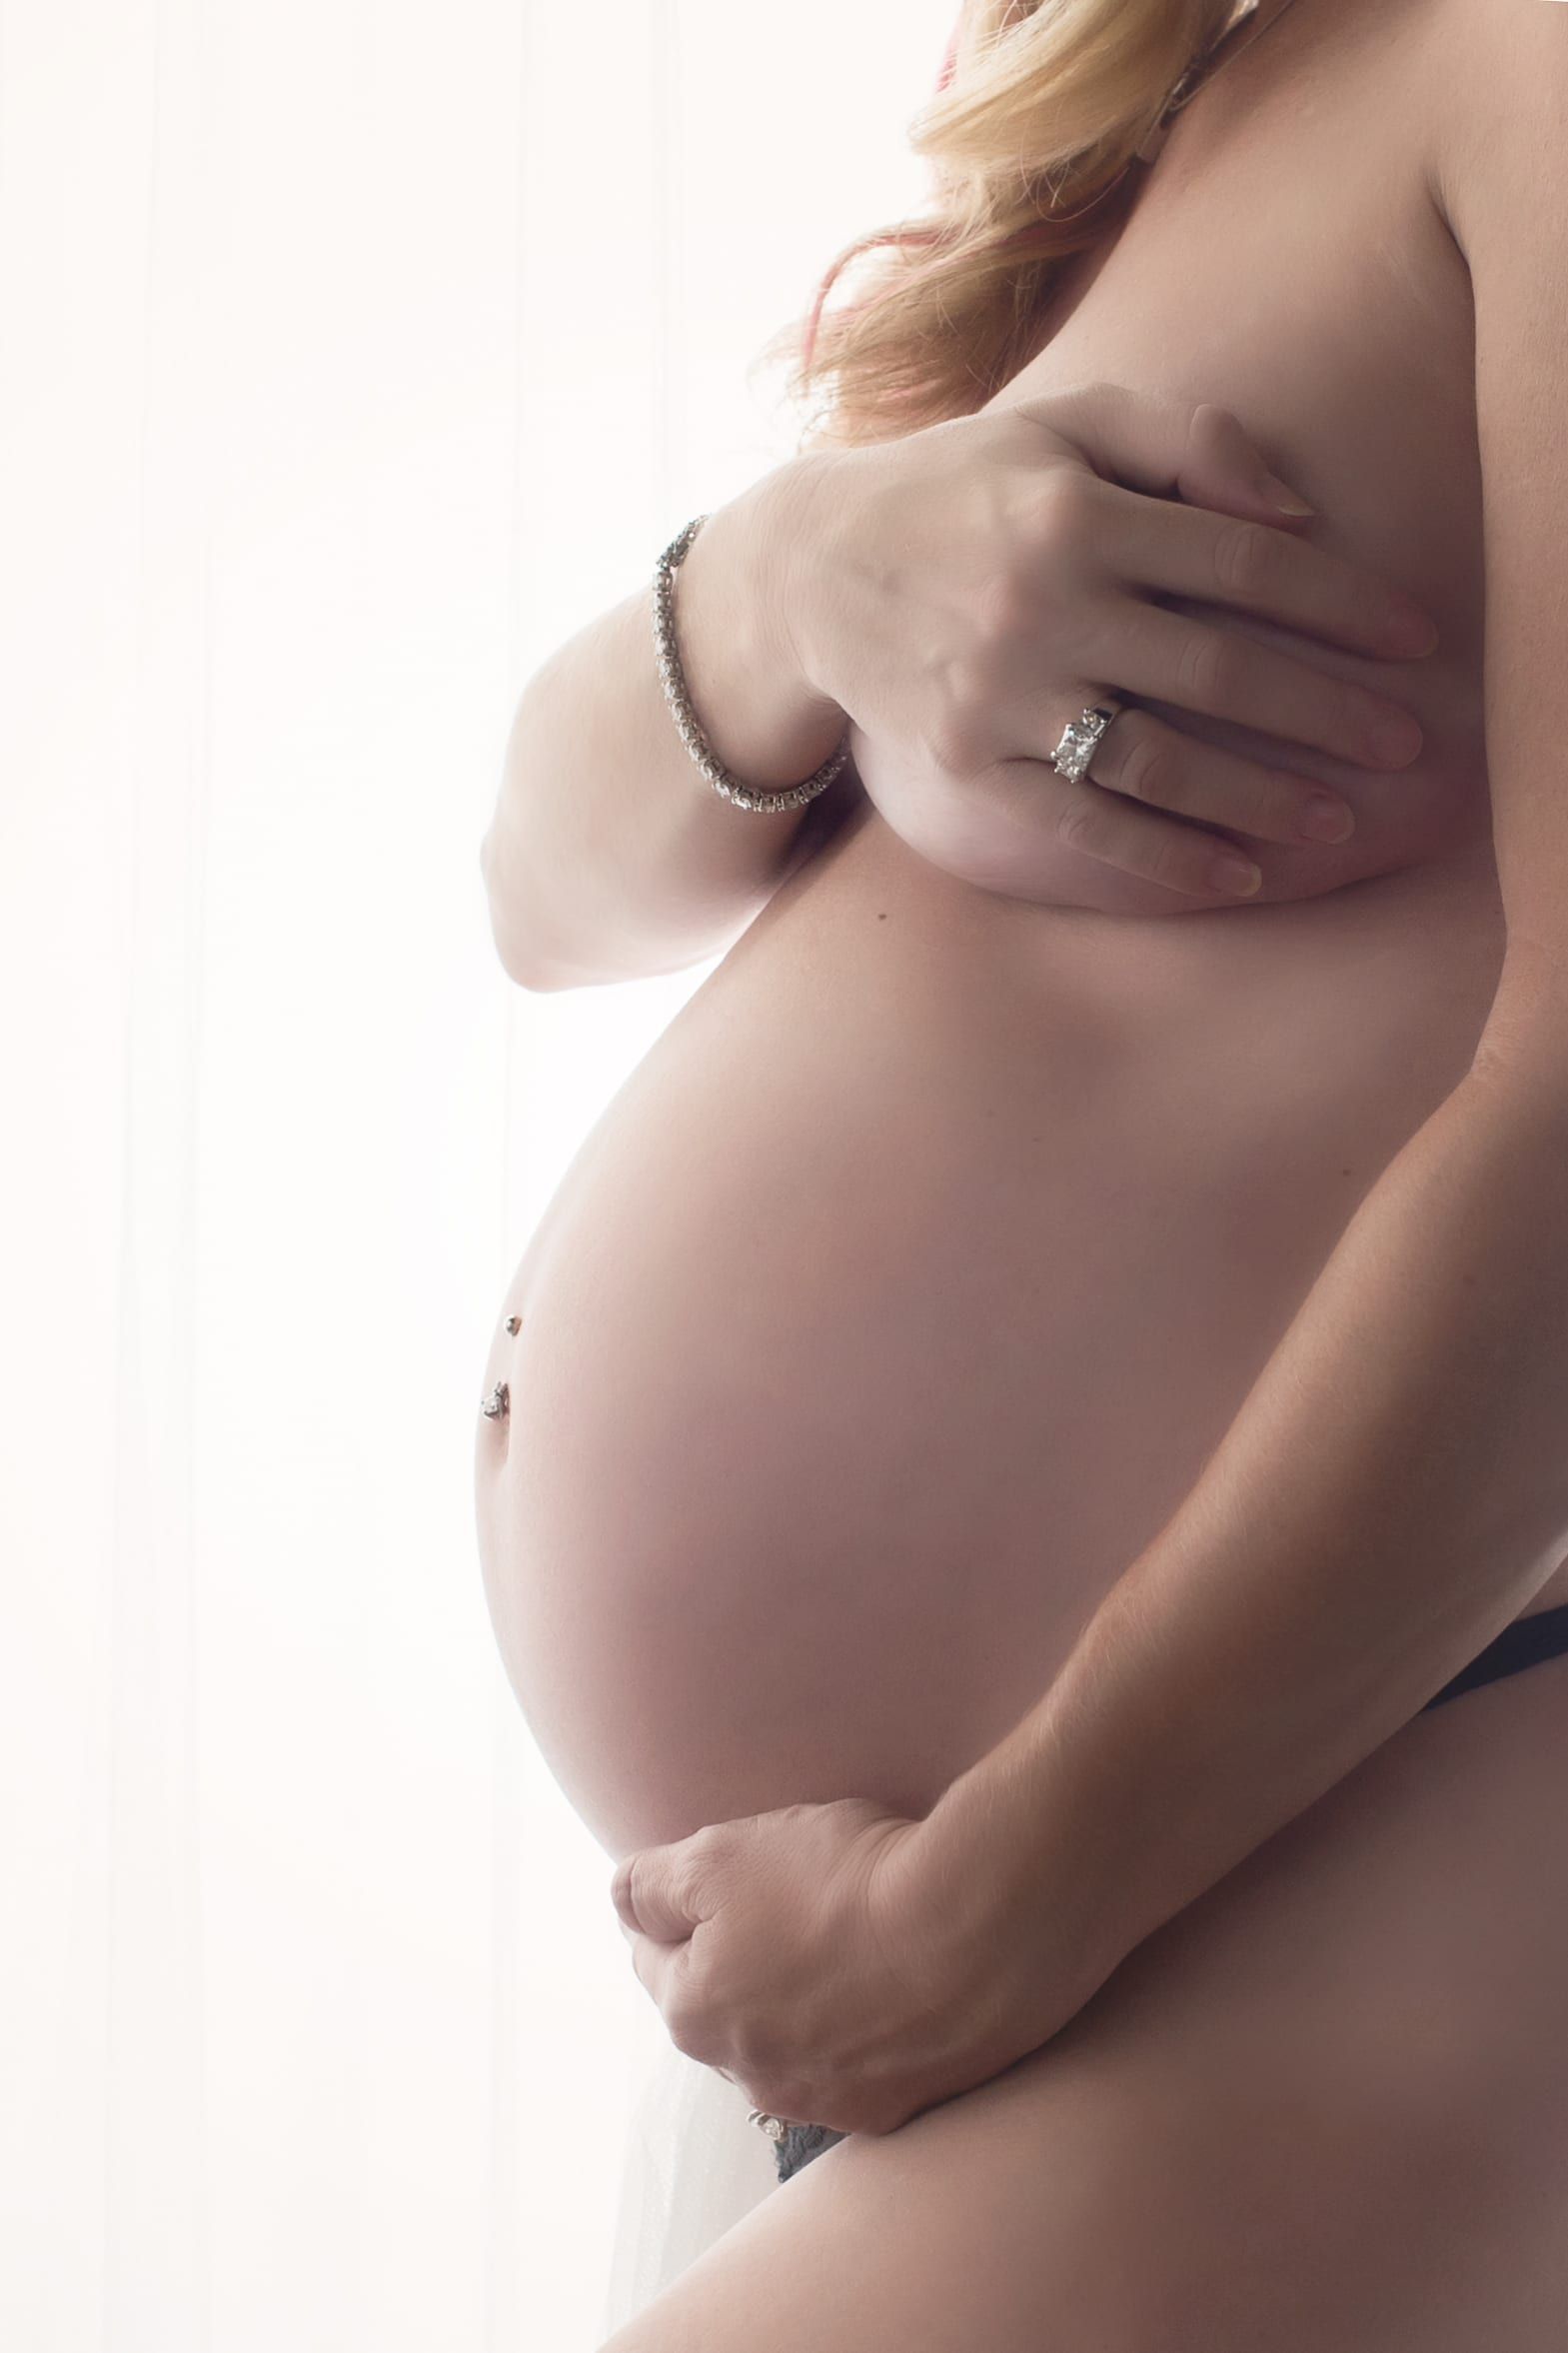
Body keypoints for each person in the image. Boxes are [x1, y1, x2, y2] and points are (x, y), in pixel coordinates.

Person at [475, 0, 1568, 2341]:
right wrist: (782, 582)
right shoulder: (1218, 85)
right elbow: (537, 895)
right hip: (993, 1911)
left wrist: (1004, 1902)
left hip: (1306, 1840)